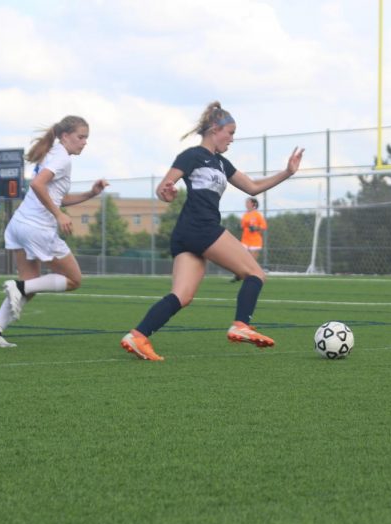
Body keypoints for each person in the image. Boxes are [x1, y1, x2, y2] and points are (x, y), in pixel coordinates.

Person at [120, 101, 303, 361]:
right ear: (214, 129)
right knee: (255, 273)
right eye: (230, 133)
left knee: (182, 296)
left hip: (188, 233)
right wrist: (168, 191)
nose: (232, 139)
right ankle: (241, 325)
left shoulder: (221, 163)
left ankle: (138, 336)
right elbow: (163, 189)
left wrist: (287, 172)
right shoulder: (191, 156)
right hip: (201, 227)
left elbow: (252, 187)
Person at [0, 115, 108, 348]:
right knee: (74, 279)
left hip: (19, 225)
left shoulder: (52, 153)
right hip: (37, 228)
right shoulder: (61, 158)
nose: (84, 142)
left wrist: (90, 194)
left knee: (30, 283)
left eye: (86, 138)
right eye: (81, 137)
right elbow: (37, 185)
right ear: (65, 136)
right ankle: (18, 287)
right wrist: (59, 215)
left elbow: (56, 196)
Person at [231, 196, 267, 282]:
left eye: (248, 202)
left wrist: (256, 228)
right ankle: (239, 275)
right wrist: (240, 227)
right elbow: (243, 225)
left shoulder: (257, 215)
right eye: (246, 202)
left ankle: (255, 277)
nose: (246, 204)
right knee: (241, 257)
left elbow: (264, 226)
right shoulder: (245, 215)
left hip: (255, 240)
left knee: (252, 261)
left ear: (253, 204)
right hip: (245, 239)